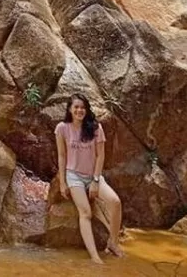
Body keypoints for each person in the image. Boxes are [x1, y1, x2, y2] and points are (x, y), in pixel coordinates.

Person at [55, 93, 124, 264]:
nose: (79, 110)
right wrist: (63, 182)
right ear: (70, 109)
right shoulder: (62, 128)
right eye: (76, 107)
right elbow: (62, 156)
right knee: (85, 212)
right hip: (74, 176)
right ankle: (95, 256)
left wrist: (95, 180)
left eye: (82, 107)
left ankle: (113, 242)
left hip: (93, 175)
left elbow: (101, 156)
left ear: (86, 110)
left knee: (115, 202)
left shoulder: (95, 128)